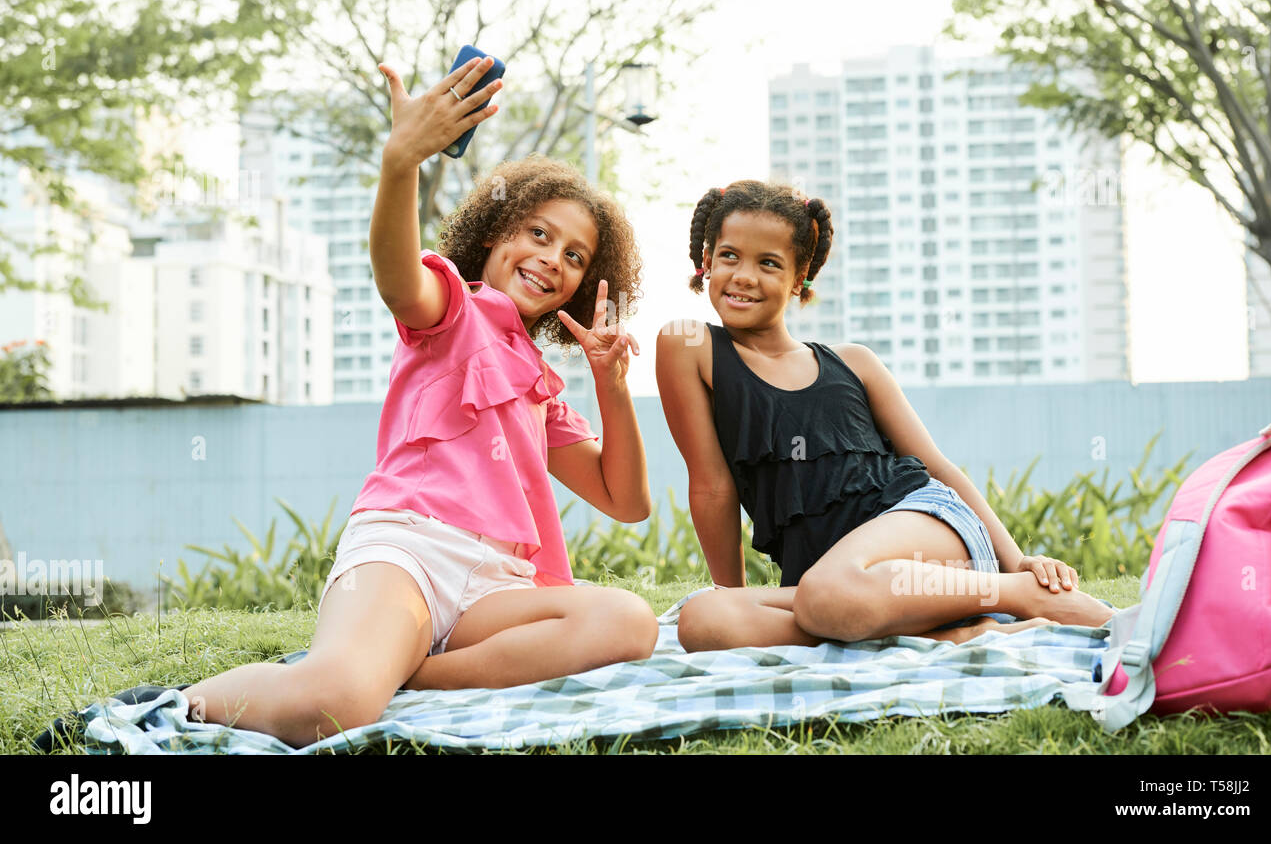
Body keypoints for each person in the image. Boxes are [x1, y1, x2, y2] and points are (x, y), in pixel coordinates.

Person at [175, 57, 658, 748]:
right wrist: (401, 160)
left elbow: (626, 500)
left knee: (630, 621)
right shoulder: (453, 308)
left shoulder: (539, 382)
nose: (554, 258)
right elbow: (400, 280)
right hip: (407, 551)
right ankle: (185, 704)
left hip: (495, 588)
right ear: (493, 233)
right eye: (539, 233)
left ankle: (415, 677)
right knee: (334, 705)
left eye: (576, 256)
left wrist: (612, 386)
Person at [655, 180, 1116, 652]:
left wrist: (1015, 562)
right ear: (707, 260)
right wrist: (732, 595)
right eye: (730, 256)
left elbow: (937, 467)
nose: (744, 276)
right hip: (834, 587)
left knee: (827, 592)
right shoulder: (689, 345)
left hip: (925, 528)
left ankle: (1018, 595)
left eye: (768, 263)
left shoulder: (854, 362)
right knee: (705, 620)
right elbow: (713, 486)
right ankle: (965, 632)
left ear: (798, 279)